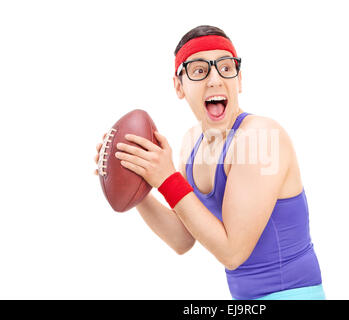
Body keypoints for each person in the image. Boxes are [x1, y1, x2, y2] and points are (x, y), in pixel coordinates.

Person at [94, 25, 325, 300]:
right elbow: (182, 239)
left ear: (239, 80)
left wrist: (166, 179)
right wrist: (139, 180)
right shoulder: (193, 143)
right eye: (200, 70)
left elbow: (233, 253)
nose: (215, 79)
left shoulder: (261, 137)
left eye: (226, 68)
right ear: (179, 86)